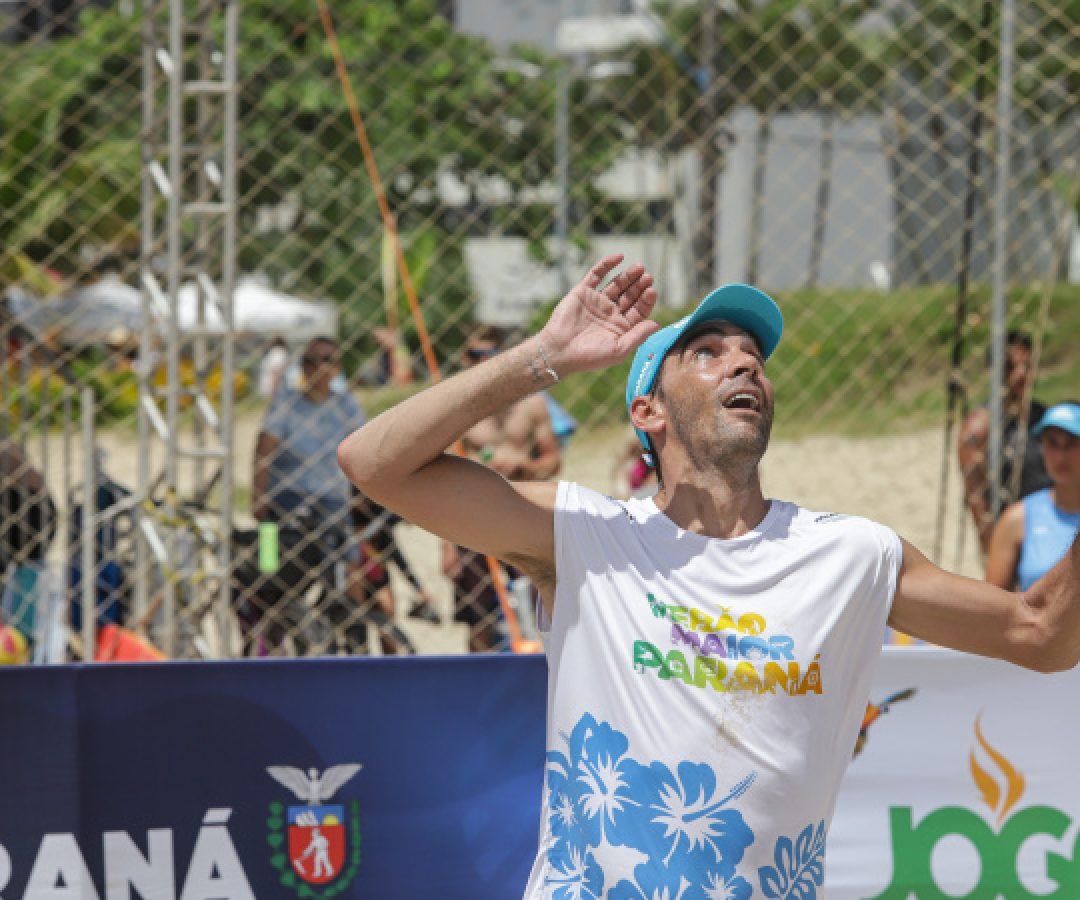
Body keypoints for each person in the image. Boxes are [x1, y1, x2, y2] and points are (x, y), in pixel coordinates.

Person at [337, 255, 1079, 897]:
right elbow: (373, 464)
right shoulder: (587, 536)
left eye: (752, 354)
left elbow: (1041, 633)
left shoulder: (851, 555)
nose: (745, 362)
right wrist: (544, 357)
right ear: (648, 410)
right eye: (708, 352)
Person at [250, 336, 411, 656]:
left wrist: (371, 493)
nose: (319, 369)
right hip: (288, 501)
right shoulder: (286, 402)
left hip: (334, 501)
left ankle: (353, 636)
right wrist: (258, 496)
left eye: (328, 361)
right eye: (311, 361)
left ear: (338, 367)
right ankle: (267, 632)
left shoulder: (345, 404)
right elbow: (263, 450)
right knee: (268, 570)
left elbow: (365, 449)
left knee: (352, 566)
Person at [441, 326, 561, 652]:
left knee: (541, 603)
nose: (481, 361)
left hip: (523, 509)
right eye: (473, 355)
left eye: (489, 354)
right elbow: (444, 483)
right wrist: (446, 546)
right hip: (473, 516)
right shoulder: (457, 410)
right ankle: (479, 685)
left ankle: (543, 671)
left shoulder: (532, 405)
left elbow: (554, 461)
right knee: (476, 614)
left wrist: (524, 466)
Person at [957, 330, 1051, 553]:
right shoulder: (979, 427)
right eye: (1012, 367)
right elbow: (976, 499)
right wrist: (995, 552)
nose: (1022, 374)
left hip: (1050, 528)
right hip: (1010, 536)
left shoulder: (1042, 415)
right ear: (994, 371)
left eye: (1028, 366)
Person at [986, 402, 1080, 592]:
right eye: (1052, 443)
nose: (1060, 456)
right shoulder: (1017, 519)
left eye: (1071, 444)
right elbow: (992, 604)